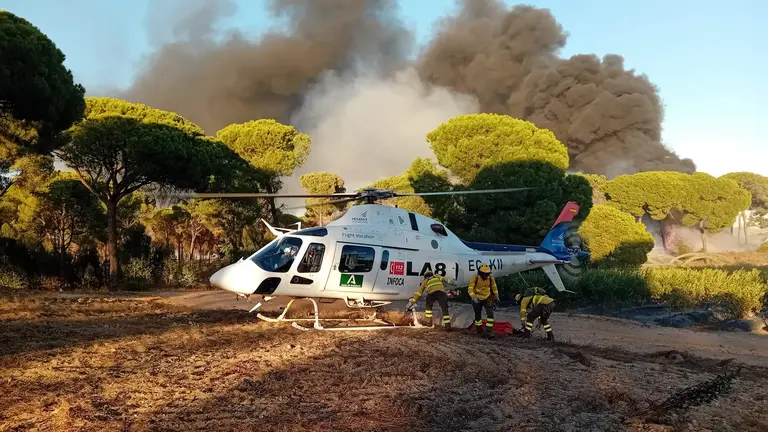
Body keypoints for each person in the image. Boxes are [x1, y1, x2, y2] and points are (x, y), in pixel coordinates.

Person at [468, 263, 499, 337]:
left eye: (487, 274)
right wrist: (474, 297)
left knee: (490, 314)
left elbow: (494, 287)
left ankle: (488, 331)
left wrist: (496, 296)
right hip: (477, 298)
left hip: (487, 297)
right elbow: (470, 289)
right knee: (478, 315)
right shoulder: (475, 277)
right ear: (480, 273)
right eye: (485, 274)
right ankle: (479, 331)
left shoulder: (491, 278)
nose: (486, 276)